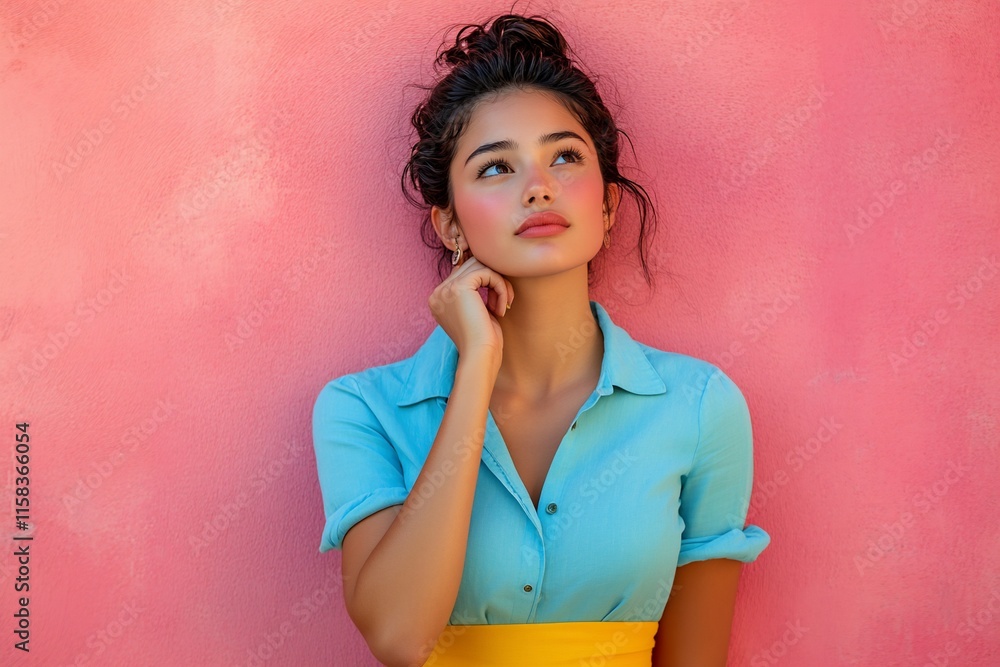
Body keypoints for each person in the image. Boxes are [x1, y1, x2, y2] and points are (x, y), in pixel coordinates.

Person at [311, 11, 770, 666]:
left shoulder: (699, 406)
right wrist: (473, 372)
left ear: (608, 207)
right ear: (451, 227)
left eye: (564, 155)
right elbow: (397, 634)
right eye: (497, 168)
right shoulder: (362, 410)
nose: (539, 186)